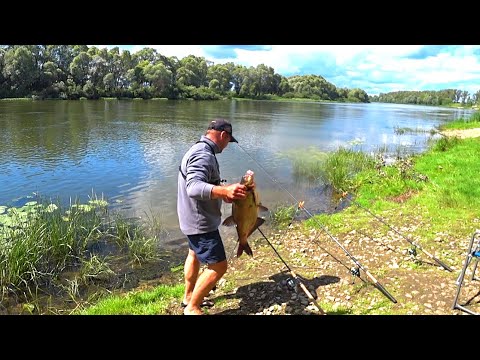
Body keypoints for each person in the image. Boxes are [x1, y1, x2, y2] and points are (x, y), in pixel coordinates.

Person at [177, 118, 248, 315]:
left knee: (194, 254)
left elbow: (203, 183)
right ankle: (192, 308)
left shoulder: (198, 149)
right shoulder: (203, 154)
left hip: (190, 217)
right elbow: (193, 187)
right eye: (228, 141)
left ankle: (188, 297)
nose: (227, 146)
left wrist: (224, 190)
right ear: (223, 135)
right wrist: (224, 192)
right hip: (201, 222)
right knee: (218, 266)